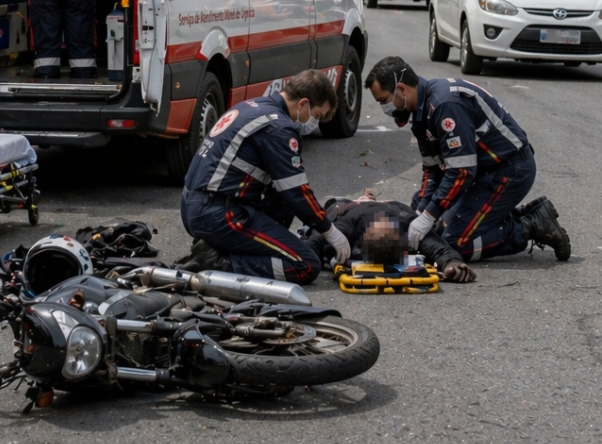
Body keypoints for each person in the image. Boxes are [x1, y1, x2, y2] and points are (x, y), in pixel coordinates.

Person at [366, 56, 571, 262]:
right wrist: (419, 213)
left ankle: (530, 225)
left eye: (383, 100)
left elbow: (461, 171)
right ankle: (506, 216)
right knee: (423, 207)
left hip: (509, 171)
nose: (384, 107)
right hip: (482, 173)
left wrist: (428, 217)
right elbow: (432, 170)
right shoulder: (420, 112)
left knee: (455, 243)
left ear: (401, 89)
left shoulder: (445, 105)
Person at [177, 70, 352, 284]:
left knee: (283, 199)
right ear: (303, 103)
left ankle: (229, 248)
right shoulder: (278, 128)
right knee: (305, 264)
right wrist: (329, 230)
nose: (314, 122)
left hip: (196, 207)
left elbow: (285, 193)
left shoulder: (252, 107)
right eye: (316, 116)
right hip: (220, 215)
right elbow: (297, 192)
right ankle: (217, 262)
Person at [305, 193, 477, 282]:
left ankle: (365, 198)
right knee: (330, 206)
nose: (383, 222)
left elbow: (440, 249)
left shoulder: (406, 224)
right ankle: (365, 198)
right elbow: (440, 249)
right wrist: (453, 264)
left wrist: (452, 264)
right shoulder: (352, 223)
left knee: (331, 206)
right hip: (363, 206)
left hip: (361, 205)